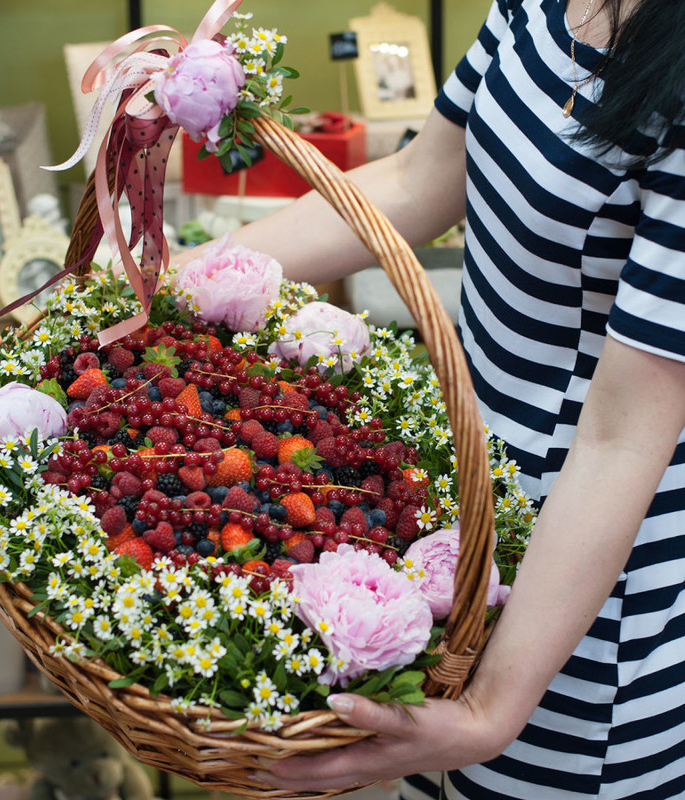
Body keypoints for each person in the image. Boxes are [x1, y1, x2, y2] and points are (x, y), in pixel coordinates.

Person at [169, 0, 685, 797]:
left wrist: (493, 707)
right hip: (452, 532)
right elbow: (415, 181)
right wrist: (166, 279)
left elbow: (622, 436)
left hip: (579, 617)